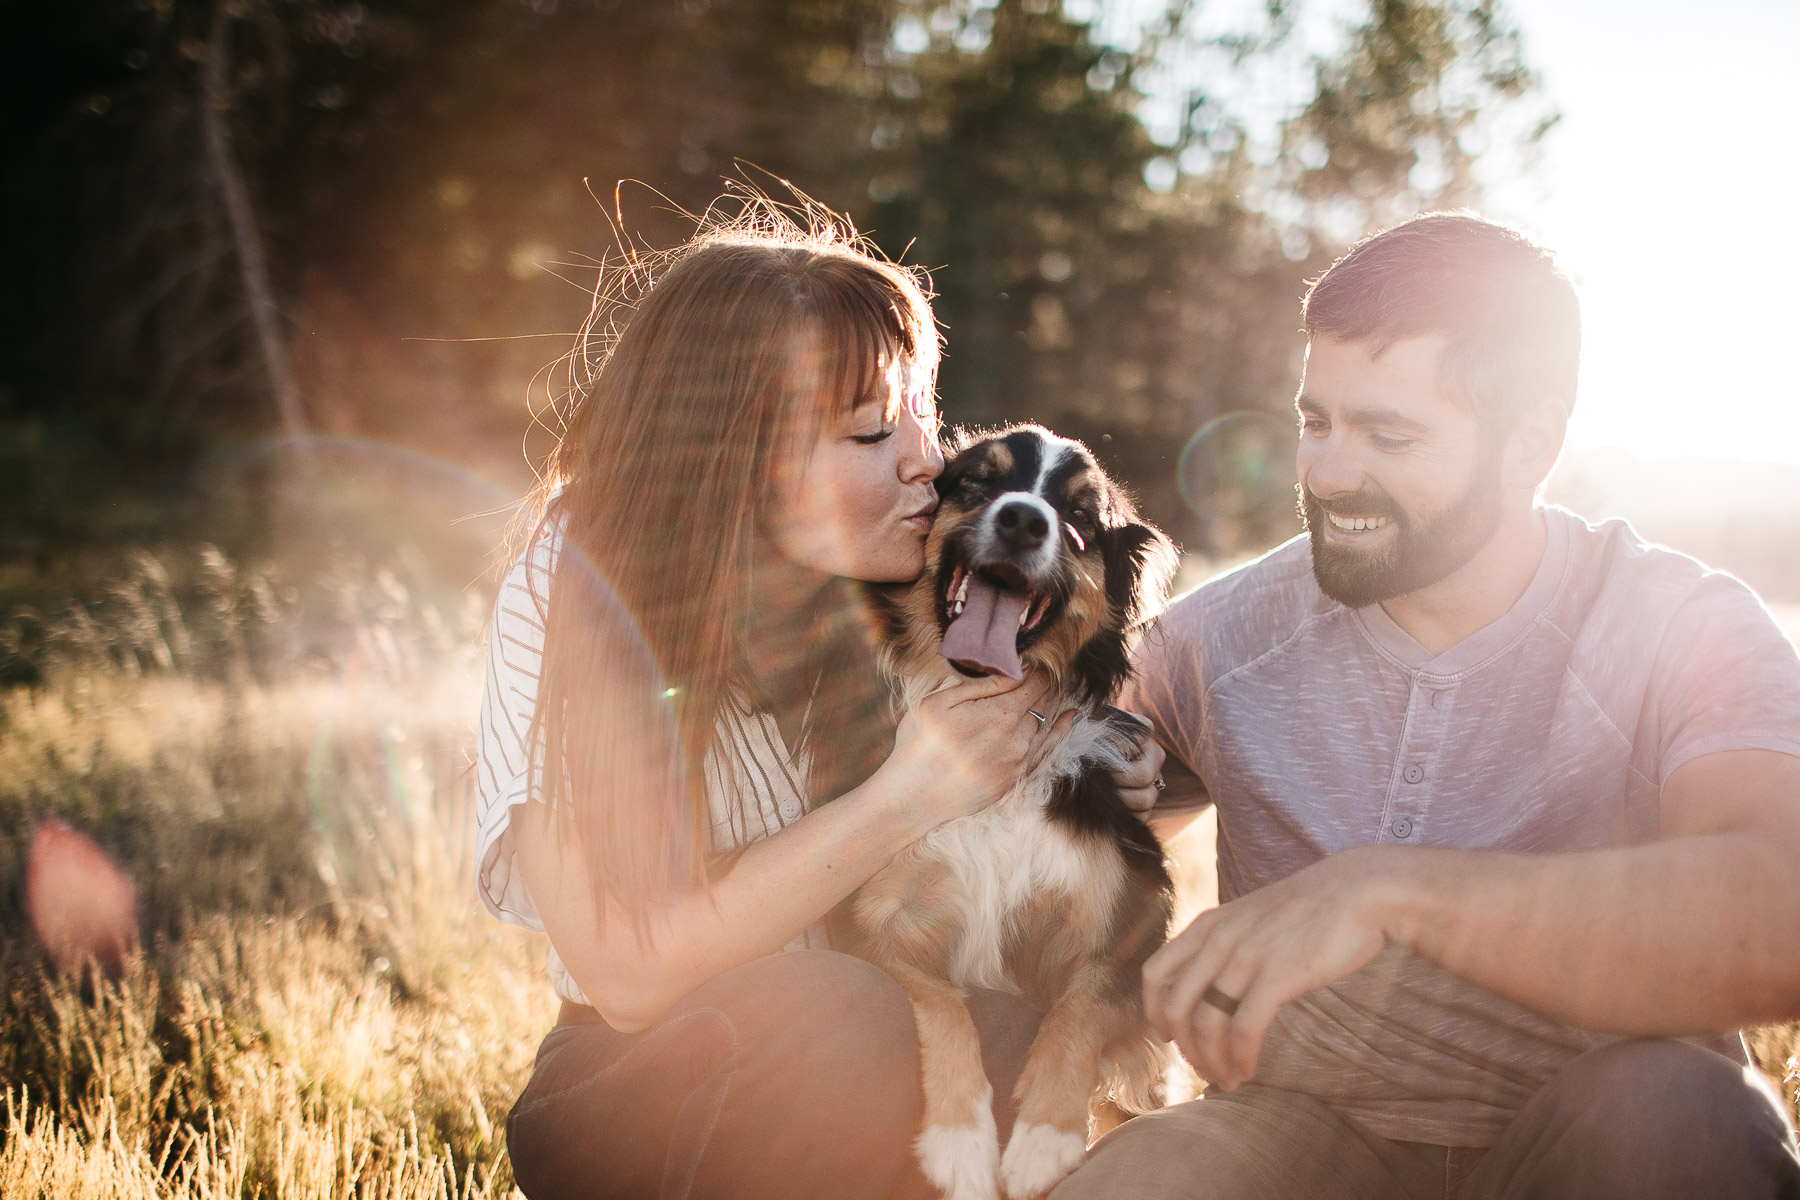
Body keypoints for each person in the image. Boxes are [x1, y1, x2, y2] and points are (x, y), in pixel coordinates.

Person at [1054, 212, 1800, 1199]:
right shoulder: (1218, 640)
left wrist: (1388, 891)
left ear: (1531, 441)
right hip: (1301, 1135)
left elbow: (1775, 924)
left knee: (1682, 1122)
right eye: (1316, 421)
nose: (1326, 472)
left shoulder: (1682, 625)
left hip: (1598, 1129)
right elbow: (1030, 828)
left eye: (1388, 433)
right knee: (1145, 1182)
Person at [473, 198, 1160, 1200]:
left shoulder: (905, 573)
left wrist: (1101, 755)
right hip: (647, 1091)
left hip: (883, 1056)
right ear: (731, 458)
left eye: (926, 409)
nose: (928, 457)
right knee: (843, 1012)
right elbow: (625, 974)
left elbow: (1106, 632)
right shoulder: (574, 588)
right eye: (876, 430)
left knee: (1002, 1030)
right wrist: (907, 795)